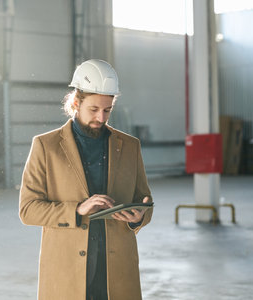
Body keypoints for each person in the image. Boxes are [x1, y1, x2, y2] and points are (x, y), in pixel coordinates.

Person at [19, 59, 153, 300]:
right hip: (67, 269)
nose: (101, 118)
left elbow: (144, 199)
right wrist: (77, 209)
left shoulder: (130, 147)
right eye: (94, 110)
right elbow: (28, 210)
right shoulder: (46, 146)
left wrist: (138, 219)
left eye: (107, 110)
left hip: (116, 269)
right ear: (75, 102)